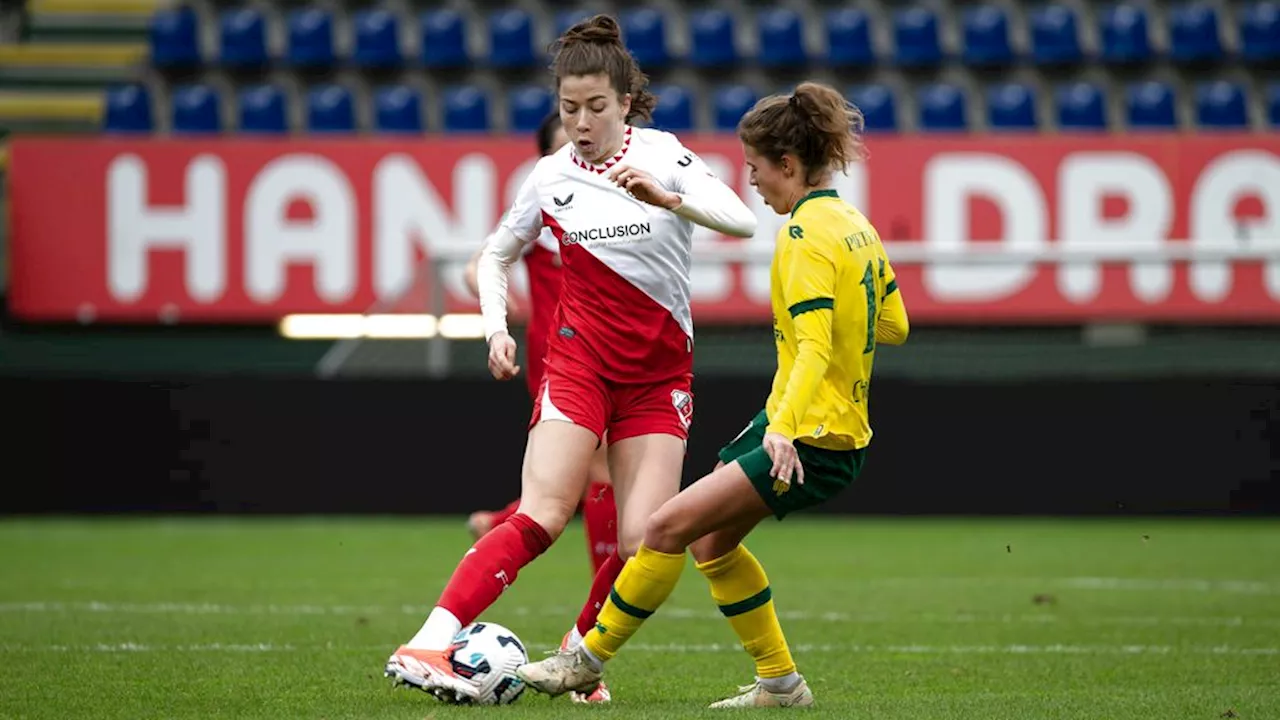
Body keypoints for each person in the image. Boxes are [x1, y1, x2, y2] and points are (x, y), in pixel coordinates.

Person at [384, 14, 758, 704]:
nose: (581, 122)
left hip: (658, 380)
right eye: (568, 108)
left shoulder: (666, 155)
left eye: (594, 107)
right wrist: (494, 326)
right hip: (578, 366)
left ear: (624, 104)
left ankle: (578, 655)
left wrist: (668, 197)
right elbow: (495, 254)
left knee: (648, 539)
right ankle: (430, 642)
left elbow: (742, 218)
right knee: (543, 514)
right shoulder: (549, 176)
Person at [514, 80, 911, 709]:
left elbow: (810, 349)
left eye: (756, 168)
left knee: (664, 527)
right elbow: (894, 325)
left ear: (788, 165)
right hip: (821, 423)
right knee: (710, 542)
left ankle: (585, 660)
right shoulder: (853, 225)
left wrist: (783, 427)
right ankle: (781, 685)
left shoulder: (805, 237)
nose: (750, 181)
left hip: (806, 435)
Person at [460, 111, 618, 704]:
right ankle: (585, 647)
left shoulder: (613, 206)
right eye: (561, 145)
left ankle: (501, 527)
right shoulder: (545, 202)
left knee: (581, 484)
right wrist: (490, 312)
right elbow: (484, 262)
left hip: (610, 355)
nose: (578, 149)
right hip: (563, 359)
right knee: (595, 479)